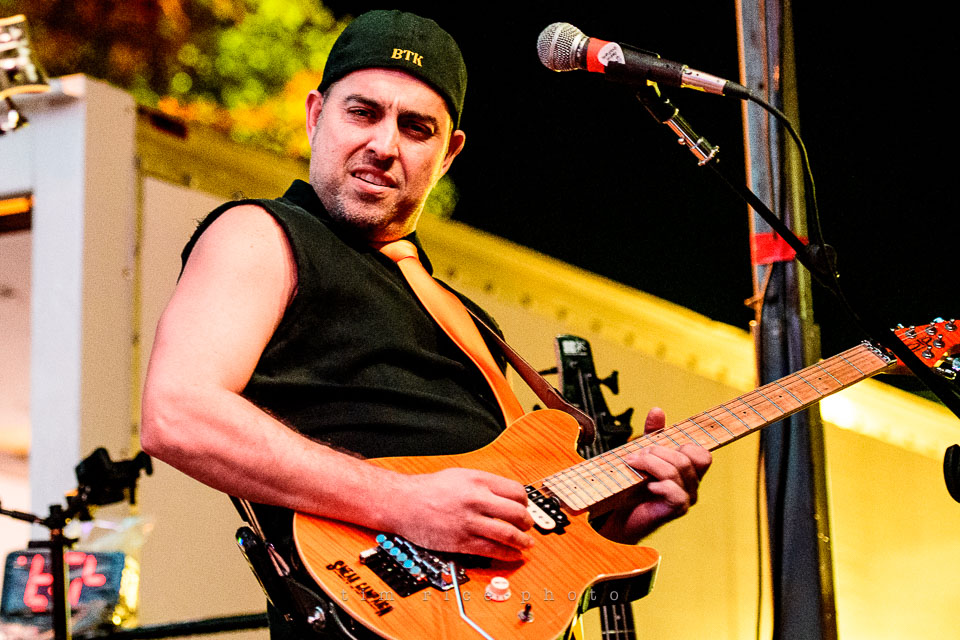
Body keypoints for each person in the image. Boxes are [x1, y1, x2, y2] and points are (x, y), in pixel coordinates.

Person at [140, 9, 712, 638]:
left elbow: (506, 537)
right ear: (315, 116)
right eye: (363, 113)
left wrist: (610, 524)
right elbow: (177, 413)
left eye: (416, 128)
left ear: (447, 155)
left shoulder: (467, 320)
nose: (384, 146)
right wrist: (405, 502)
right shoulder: (264, 233)